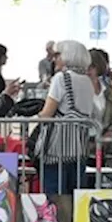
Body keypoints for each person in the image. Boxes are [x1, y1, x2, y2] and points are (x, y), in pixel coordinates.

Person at [34, 40, 96, 194]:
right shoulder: (87, 81)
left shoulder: (61, 79)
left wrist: (36, 116)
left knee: (54, 194)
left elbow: (47, 114)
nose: (54, 59)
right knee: (75, 194)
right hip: (79, 147)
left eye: (57, 55)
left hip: (57, 150)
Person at [88, 48, 112, 150]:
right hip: (86, 145)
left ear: (98, 67)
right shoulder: (80, 91)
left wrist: (110, 132)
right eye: (86, 67)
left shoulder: (108, 90)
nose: (88, 70)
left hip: (106, 145)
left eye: (92, 67)